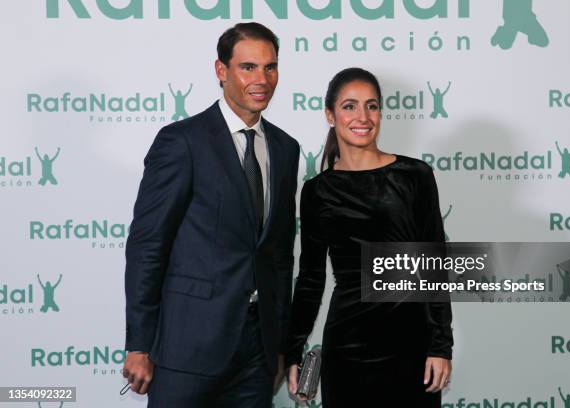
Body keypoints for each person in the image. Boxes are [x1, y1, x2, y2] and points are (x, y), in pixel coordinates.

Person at [122, 22, 300, 407]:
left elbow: (280, 256)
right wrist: (139, 343)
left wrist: (281, 343)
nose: (262, 79)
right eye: (248, 67)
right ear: (221, 71)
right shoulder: (182, 142)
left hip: (257, 351)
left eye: (270, 67)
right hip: (187, 347)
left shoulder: (286, 149)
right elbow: (147, 246)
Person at [286, 68, 453, 407]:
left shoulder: (415, 176)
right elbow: (311, 279)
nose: (362, 117)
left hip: (412, 348)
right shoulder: (318, 191)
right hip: (348, 349)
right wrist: (293, 350)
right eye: (350, 106)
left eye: (372, 106)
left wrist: (440, 346)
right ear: (330, 115)